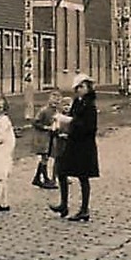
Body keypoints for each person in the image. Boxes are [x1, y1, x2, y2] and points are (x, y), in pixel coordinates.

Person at [51, 73, 99, 222]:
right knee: (62, 171)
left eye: (82, 87)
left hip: (84, 146)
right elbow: (73, 120)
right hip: (73, 143)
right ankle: (64, 204)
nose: (79, 89)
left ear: (88, 88)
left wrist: (70, 121)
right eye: (77, 87)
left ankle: (84, 209)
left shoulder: (90, 105)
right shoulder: (78, 102)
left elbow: (89, 127)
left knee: (83, 177)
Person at [30, 93, 65, 189]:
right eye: (53, 99)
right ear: (49, 99)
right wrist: (46, 127)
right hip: (42, 137)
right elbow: (35, 122)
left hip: (50, 137)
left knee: (45, 158)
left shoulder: (57, 111)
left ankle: (37, 178)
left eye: (58, 100)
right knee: (44, 157)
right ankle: (45, 178)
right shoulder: (44, 110)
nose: (55, 102)